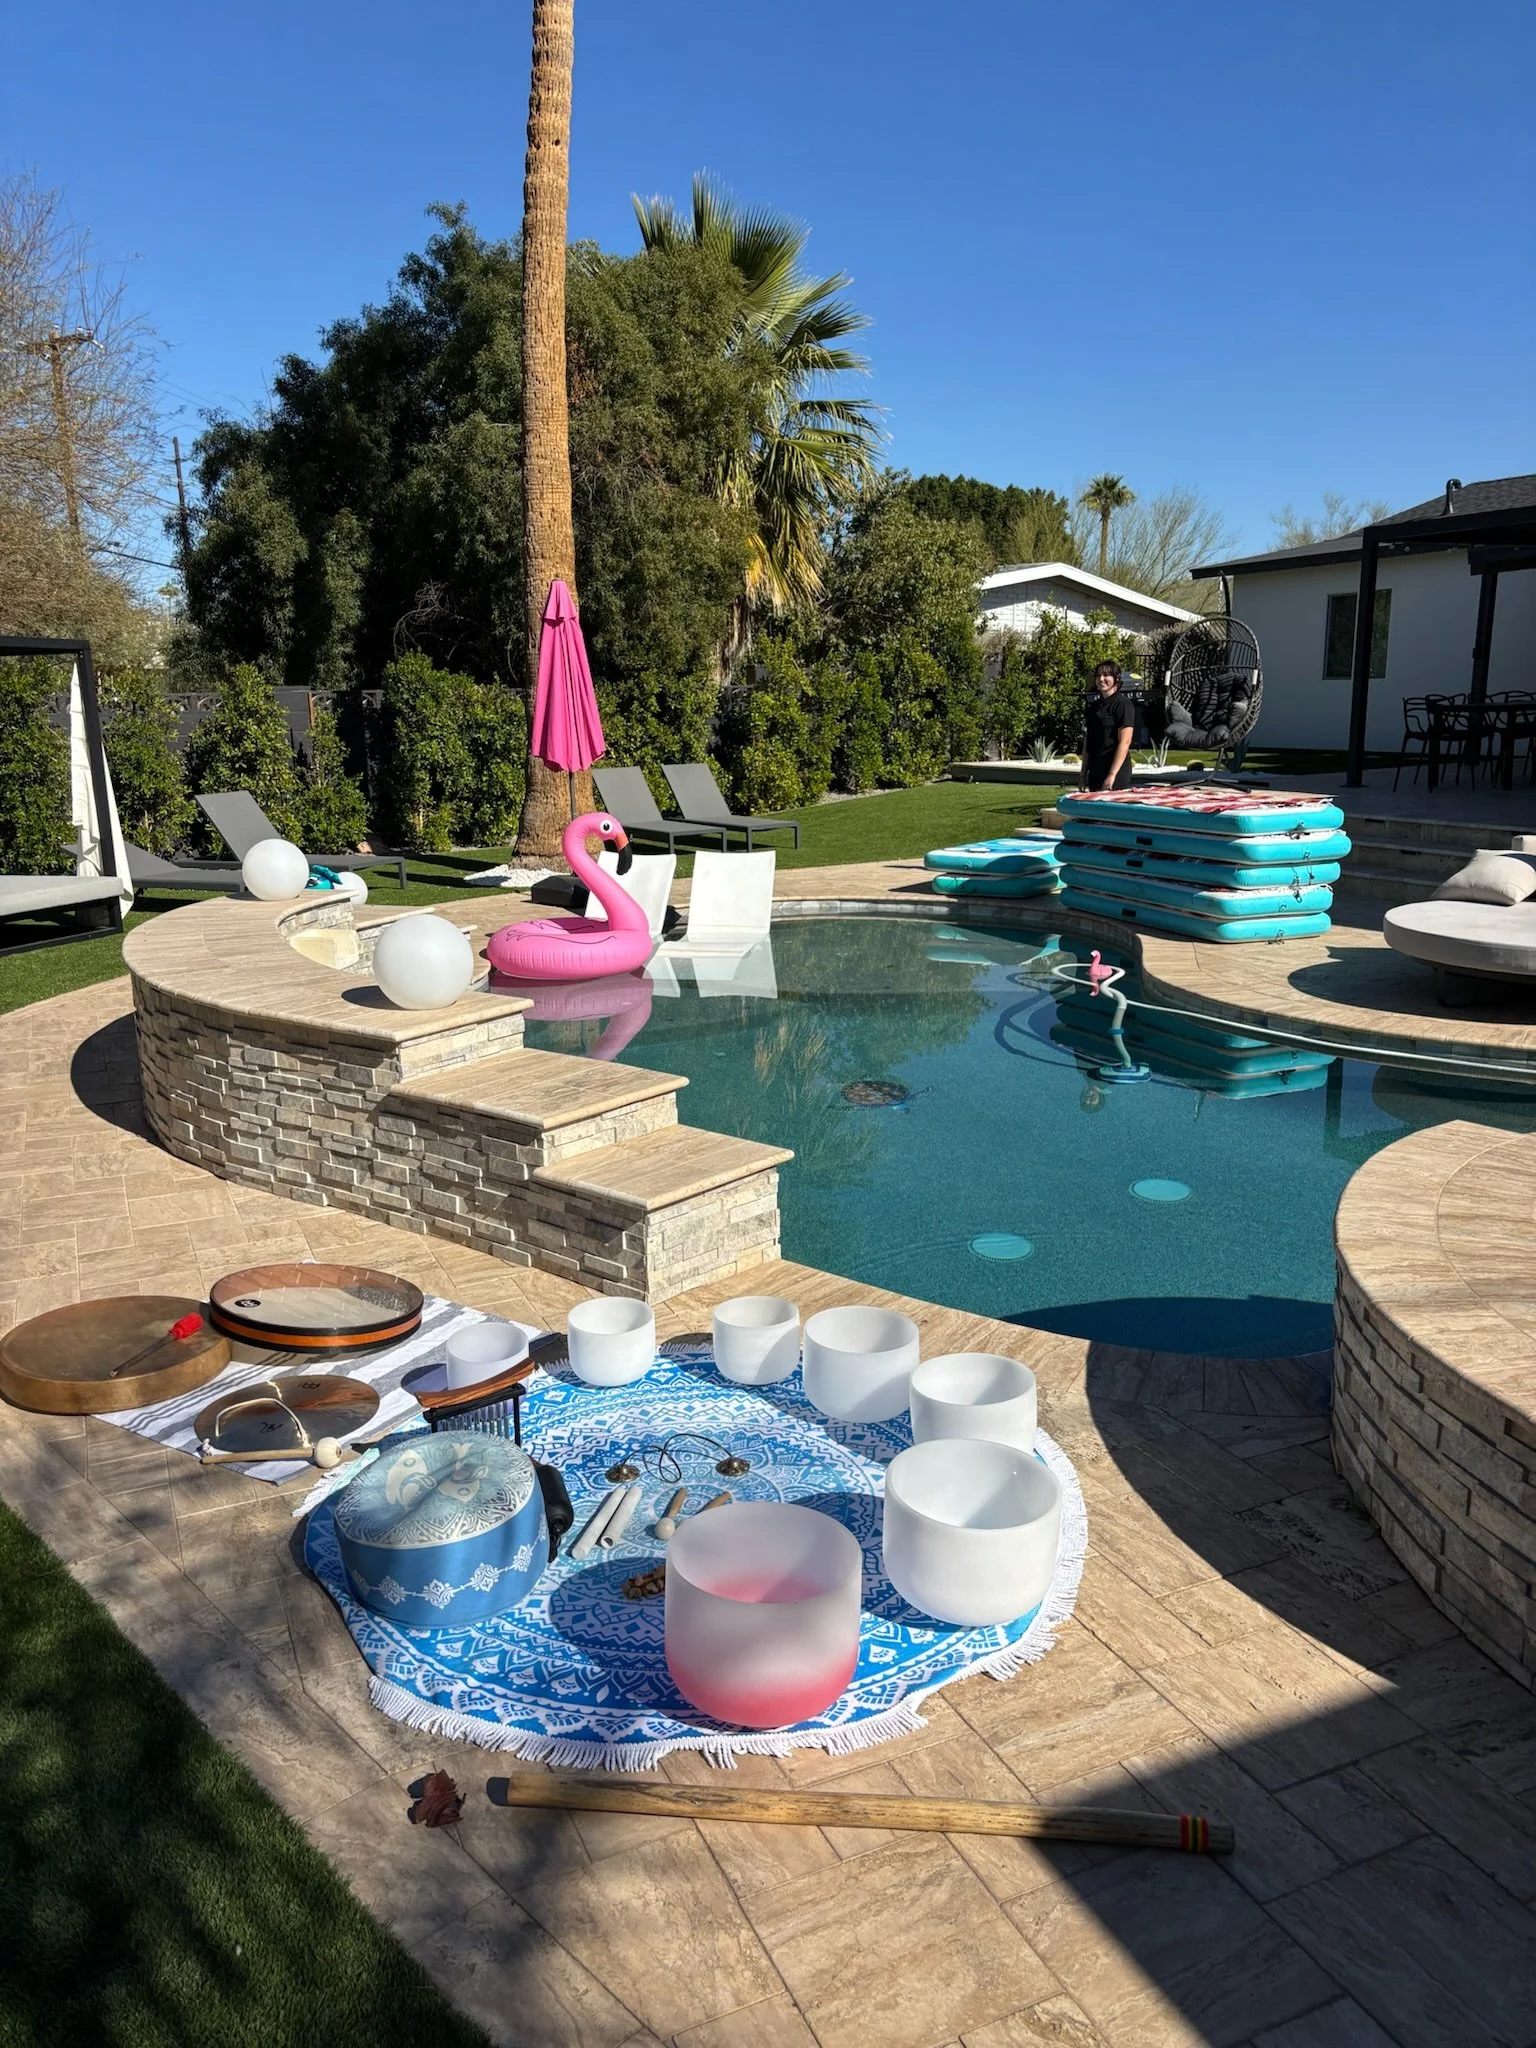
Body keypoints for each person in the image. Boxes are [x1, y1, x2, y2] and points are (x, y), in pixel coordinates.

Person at [1083, 660, 1136, 791]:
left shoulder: (1122, 704)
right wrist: (1083, 774)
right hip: (1095, 770)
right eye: (1098, 675)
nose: (1101, 679)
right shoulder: (1094, 707)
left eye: (1106, 675)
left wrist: (1112, 775)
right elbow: (1088, 742)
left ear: (1116, 678)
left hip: (1115, 771)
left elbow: (1125, 741)